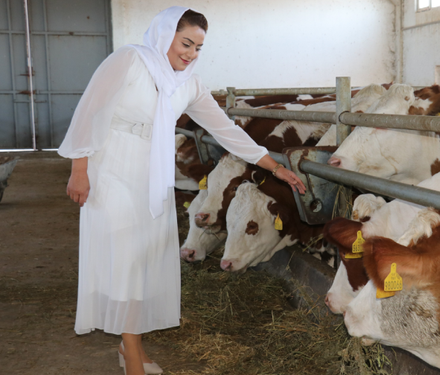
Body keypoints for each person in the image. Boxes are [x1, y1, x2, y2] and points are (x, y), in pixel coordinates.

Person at [58, 6, 306, 375]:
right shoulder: (129, 60)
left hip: (152, 172)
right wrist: (79, 169)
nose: (190, 53)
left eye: (198, 48)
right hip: (112, 166)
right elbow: (90, 111)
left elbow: (226, 131)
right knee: (126, 257)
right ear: (165, 35)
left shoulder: (188, 82)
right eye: (186, 42)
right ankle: (131, 355)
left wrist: (274, 166)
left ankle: (132, 349)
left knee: (143, 258)